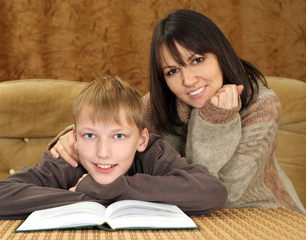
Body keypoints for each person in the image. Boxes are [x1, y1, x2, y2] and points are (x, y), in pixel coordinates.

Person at [49, 10, 306, 215]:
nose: (189, 80)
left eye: (197, 60)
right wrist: (72, 138)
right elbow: (117, 122)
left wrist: (214, 121)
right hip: (178, 215)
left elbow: (224, 194)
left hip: (263, 213)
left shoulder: (262, 104)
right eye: (172, 71)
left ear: (220, 54)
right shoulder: (160, 103)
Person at [0, 76, 227, 220]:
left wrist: (113, 187)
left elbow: (212, 192)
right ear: (74, 137)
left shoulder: (152, 152)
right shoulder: (68, 159)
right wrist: (94, 197)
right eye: (90, 135)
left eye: (118, 136)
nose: (103, 152)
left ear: (141, 140)